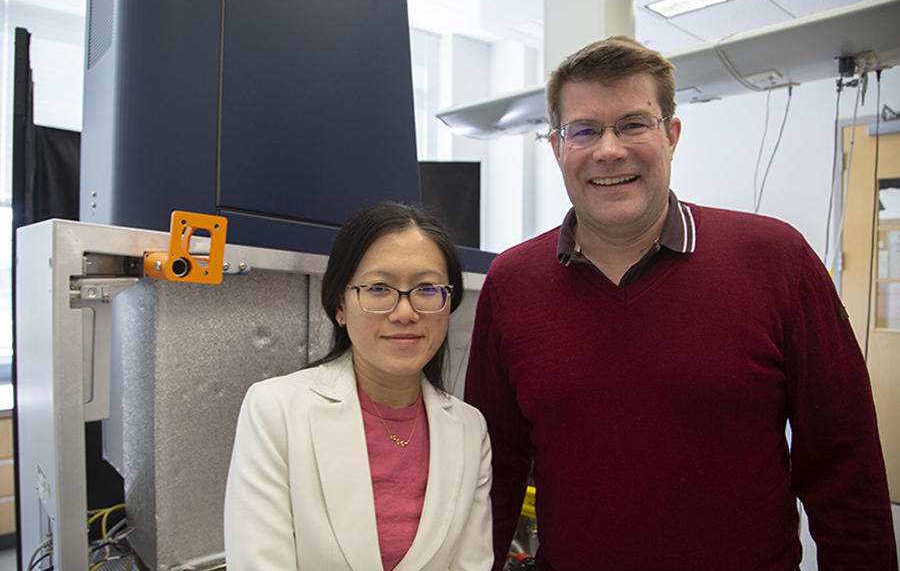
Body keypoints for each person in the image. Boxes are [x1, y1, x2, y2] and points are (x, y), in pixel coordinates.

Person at [465, 35, 897, 571]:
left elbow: (844, 464)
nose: (609, 150)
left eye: (633, 124)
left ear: (671, 135)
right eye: (584, 130)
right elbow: (494, 470)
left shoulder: (776, 259)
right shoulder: (512, 283)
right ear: (558, 148)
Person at [225, 201, 493, 571]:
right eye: (380, 288)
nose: (405, 313)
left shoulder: (469, 429)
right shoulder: (276, 411)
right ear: (340, 305)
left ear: (449, 304)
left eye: (427, 289)